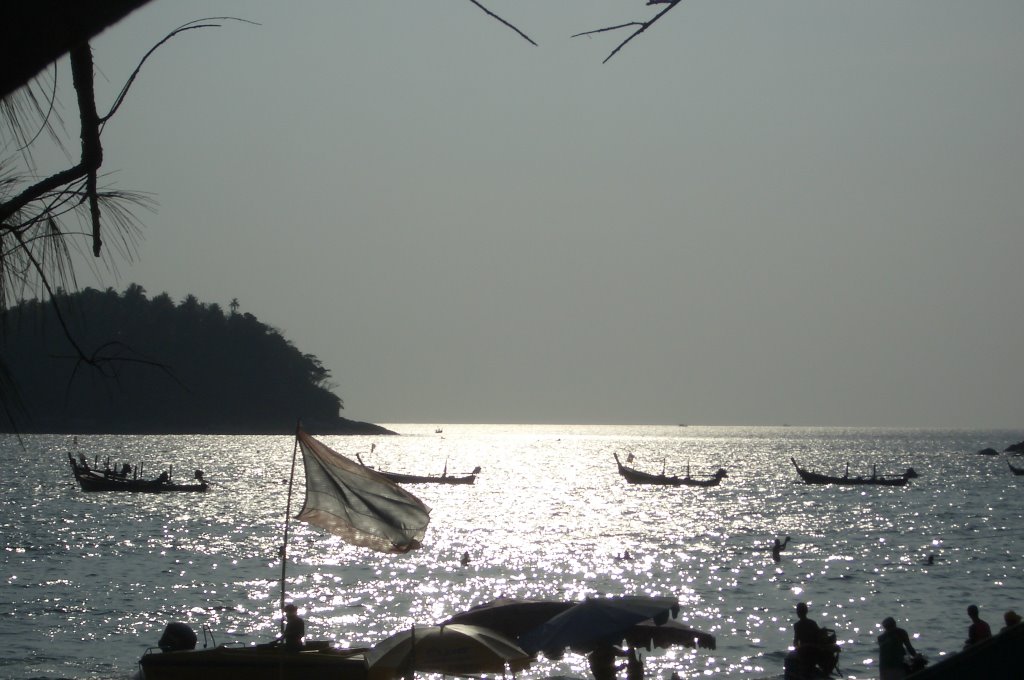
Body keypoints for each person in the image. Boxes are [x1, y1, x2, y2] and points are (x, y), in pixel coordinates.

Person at [791, 602, 822, 677]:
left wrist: (796, 649)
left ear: (798, 613)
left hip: (804, 652)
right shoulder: (812, 623)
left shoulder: (797, 625)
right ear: (806, 611)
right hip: (814, 651)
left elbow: (796, 641)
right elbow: (818, 637)